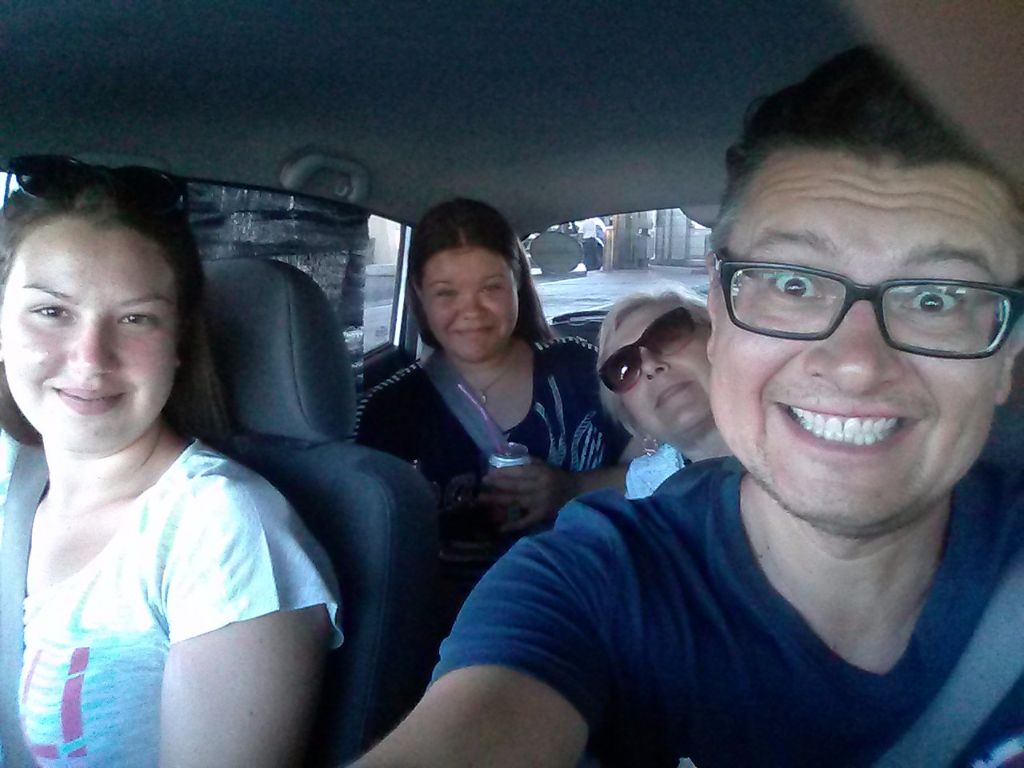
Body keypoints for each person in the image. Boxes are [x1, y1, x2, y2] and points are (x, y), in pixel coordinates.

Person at [351, 47, 1024, 767]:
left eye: (937, 297)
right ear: (721, 311)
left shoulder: (573, 387)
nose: (857, 363)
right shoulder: (591, 580)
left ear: (1010, 351)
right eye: (793, 284)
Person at [0, 156, 342, 767]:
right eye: (51, 311)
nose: (90, 358)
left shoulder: (221, 530)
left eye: (136, 318)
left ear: (178, 343)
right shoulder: (10, 474)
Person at [355, 199, 630, 551]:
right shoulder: (388, 411)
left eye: (490, 288)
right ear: (420, 296)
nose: (471, 310)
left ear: (517, 284)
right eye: (446, 293)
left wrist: (572, 488)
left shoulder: (579, 369)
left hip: (587, 575)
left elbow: (660, 470)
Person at [596, 289, 729, 498]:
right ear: (635, 422)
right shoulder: (645, 494)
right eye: (624, 368)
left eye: (667, 337)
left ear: (719, 339)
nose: (650, 365)